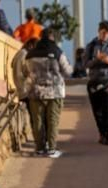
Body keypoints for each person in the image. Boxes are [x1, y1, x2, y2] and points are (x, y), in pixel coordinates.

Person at [24, 28, 72, 157]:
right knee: (53, 120)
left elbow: (25, 72)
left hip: (35, 92)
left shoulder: (30, 54)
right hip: (55, 91)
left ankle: (39, 148)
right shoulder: (57, 52)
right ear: (52, 37)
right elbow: (68, 71)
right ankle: (52, 148)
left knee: (37, 120)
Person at [83, 21, 108, 145]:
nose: (105, 35)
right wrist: (96, 60)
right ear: (99, 31)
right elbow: (85, 64)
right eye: (103, 32)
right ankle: (101, 132)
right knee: (97, 110)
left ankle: (106, 134)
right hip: (94, 81)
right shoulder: (91, 46)